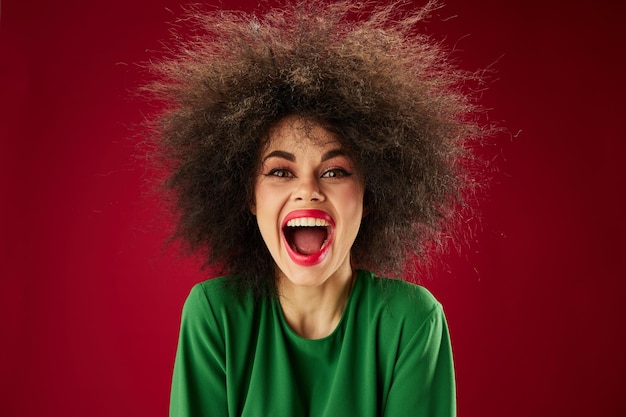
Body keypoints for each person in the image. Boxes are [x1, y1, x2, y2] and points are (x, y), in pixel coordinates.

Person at [144, 1, 489, 415]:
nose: (308, 191)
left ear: (370, 191)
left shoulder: (410, 322)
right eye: (280, 172)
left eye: (334, 171)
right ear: (249, 196)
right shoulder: (216, 315)